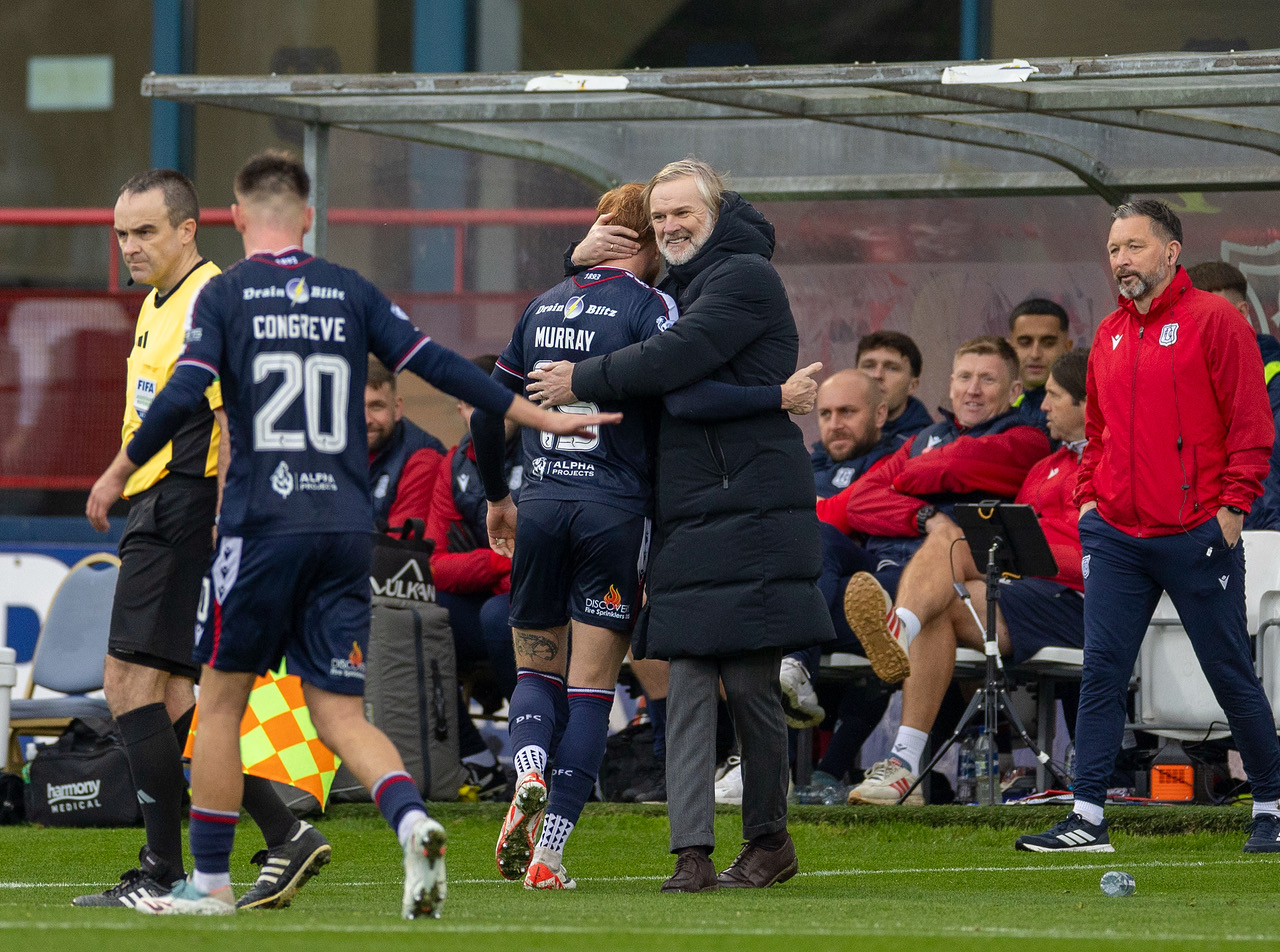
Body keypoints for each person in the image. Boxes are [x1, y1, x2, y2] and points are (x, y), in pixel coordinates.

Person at [85, 150, 618, 917]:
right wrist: (534, 415)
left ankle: (203, 882)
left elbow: (180, 399)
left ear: (233, 220)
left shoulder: (225, 294)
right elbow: (441, 365)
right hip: (341, 525)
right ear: (309, 216)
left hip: (256, 520)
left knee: (221, 703)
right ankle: (413, 826)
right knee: (337, 711)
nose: (130, 246)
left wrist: (115, 470)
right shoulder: (348, 291)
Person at [529, 158, 834, 893]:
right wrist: (571, 262)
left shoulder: (742, 278)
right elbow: (615, 333)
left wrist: (584, 381)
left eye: (681, 214)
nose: (669, 227)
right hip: (690, 508)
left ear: (716, 210)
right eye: (659, 218)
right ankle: (692, 852)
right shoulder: (675, 286)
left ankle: (766, 841)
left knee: (751, 685)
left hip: (752, 504)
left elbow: (676, 367)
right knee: (692, 676)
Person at [76, 169, 327, 911]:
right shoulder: (160, 303)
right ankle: (286, 833)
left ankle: (161, 869)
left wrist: (226, 521)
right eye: (121, 233)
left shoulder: (212, 300)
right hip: (161, 506)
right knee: (178, 698)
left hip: (185, 509)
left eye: (145, 231)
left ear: (189, 229)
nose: (130, 247)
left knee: (127, 684)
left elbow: (232, 420)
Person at [1016, 199, 1280, 854]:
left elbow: (1252, 431)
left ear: (1171, 251)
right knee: (1103, 672)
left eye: (1134, 246)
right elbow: (1098, 433)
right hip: (1117, 535)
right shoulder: (1107, 333)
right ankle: (1088, 818)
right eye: (1113, 250)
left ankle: (1271, 806)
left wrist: (1229, 513)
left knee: (1229, 673)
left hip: (1196, 535)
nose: (1121, 261)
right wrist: (1087, 499)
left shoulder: (1216, 322)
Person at [849, 349, 1090, 804]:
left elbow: (1109, 555)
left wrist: (1027, 555)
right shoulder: (1047, 467)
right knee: (939, 604)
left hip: (1076, 602)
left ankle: (896, 630)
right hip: (1023, 589)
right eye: (963, 377)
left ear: (1087, 404)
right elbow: (859, 502)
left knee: (951, 541)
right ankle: (903, 766)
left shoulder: (1115, 462)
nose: (1043, 408)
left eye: (1054, 396)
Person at [816, 336, 1051, 684]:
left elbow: (956, 464)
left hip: (938, 576)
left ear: (1014, 388)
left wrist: (898, 480)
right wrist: (924, 516)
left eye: (987, 379)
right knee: (817, 541)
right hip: (884, 558)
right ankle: (796, 668)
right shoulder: (925, 437)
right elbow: (860, 502)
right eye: (964, 378)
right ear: (951, 384)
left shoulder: (1026, 439)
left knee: (813, 611)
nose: (973, 390)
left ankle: (797, 653)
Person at [785, 369, 904, 727]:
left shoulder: (898, 459)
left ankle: (797, 661)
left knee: (816, 536)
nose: (835, 423)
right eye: (826, 414)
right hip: (822, 594)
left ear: (879, 415)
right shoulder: (800, 466)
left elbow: (851, 512)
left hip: (879, 575)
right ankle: (771, 772)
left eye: (847, 412)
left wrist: (810, 509)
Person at [1186, 261, 1280, 531]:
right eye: (1192, 321)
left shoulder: (1275, 390)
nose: (1201, 332)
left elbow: (1270, 490)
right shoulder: (1181, 386)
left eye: (1213, 318)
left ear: (1242, 313)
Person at [366, 355, 447, 531]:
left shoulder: (424, 457)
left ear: (397, 408)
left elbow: (400, 545)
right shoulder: (335, 451)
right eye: (355, 408)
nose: (366, 419)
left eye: (376, 406)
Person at [853, 331, 933, 441]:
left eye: (891, 368)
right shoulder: (833, 438)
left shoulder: (927, 446)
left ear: (912, 386)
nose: (877, 375)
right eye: (869, 366)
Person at [1006, 298, 1073, 427]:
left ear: (1067, 347)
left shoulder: (1083, 413)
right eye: (1025, 343)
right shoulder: (1004, 408)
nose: (1035, 354)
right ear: (1010, 349)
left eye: (1048, 343)